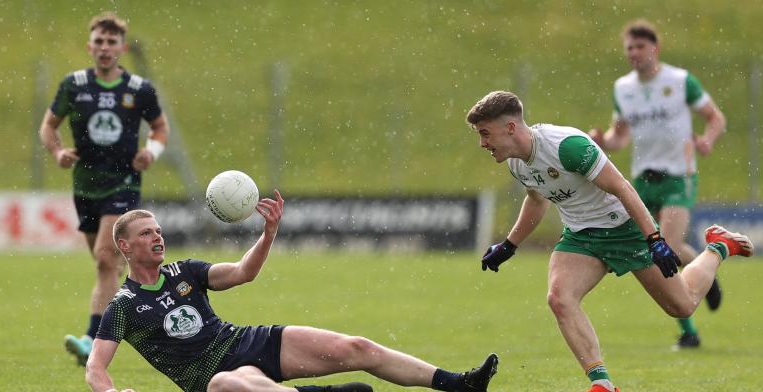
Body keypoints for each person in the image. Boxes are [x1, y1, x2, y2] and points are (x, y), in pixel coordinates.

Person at [467, 91, 752, 392]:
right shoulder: (516, 162)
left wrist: (654, 239)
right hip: (580, 236)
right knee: (560, 298)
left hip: (624, 228)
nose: (483, 143)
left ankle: (719, 246)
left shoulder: (567, 147)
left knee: (682, 306)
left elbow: (623, 189)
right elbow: (537, 201)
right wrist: (509, 245)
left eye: (485, 134)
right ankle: (602, 384)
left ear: (510, 128)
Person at [85, 191, 499, 392]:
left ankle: (458, 384)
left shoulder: (186, 270)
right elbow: (95, 368)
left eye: (158, 230)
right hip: (212, 378)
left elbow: (244, 272)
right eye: (146, 233)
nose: (157, 237)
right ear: (124, 246)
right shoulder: (122, 307)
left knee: (355, 347)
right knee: (229, 386)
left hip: (247, 341)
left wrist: (268, 234)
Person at [38, 12, 170, 366]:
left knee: (104, 256)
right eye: (99, 41)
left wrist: (150, 152)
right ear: (90, 46)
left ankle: (91, 338)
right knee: (105, 266)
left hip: (123, 183)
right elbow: (48, 127)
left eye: (112, 42)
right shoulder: (74, 85)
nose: (105, 48)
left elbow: (160, 128)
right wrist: (58, 151)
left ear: (122, 48)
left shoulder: (139, 89)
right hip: (85, 186)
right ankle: (133, 317)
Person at [588, 19, 727, 349]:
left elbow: (716, 117)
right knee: (668, 250)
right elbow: (620, 136)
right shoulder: (623, 88)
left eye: (639, 47)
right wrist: (602, 141)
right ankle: (707, 267)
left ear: (655, 49)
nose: (633, 53)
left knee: (665, 248)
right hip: (641, 180)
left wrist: (707, 139)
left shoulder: (679, 81)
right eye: (629, 49)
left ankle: (688, 333)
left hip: (678, 177)